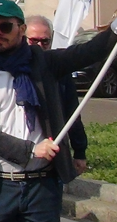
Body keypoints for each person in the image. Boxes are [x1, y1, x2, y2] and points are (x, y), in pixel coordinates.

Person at [0, 0, 117, 222]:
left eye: (5, 26)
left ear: (21, 29)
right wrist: (31, 150)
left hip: (41, 188)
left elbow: (91, 51)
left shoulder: (46, 64)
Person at [24, 16, 87, 175]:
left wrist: (79, 151)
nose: (39, 46)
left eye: (45, 41)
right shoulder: (11, 70)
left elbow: (72, 113)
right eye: (34, 41)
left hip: (52, 156)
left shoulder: (60, 73)